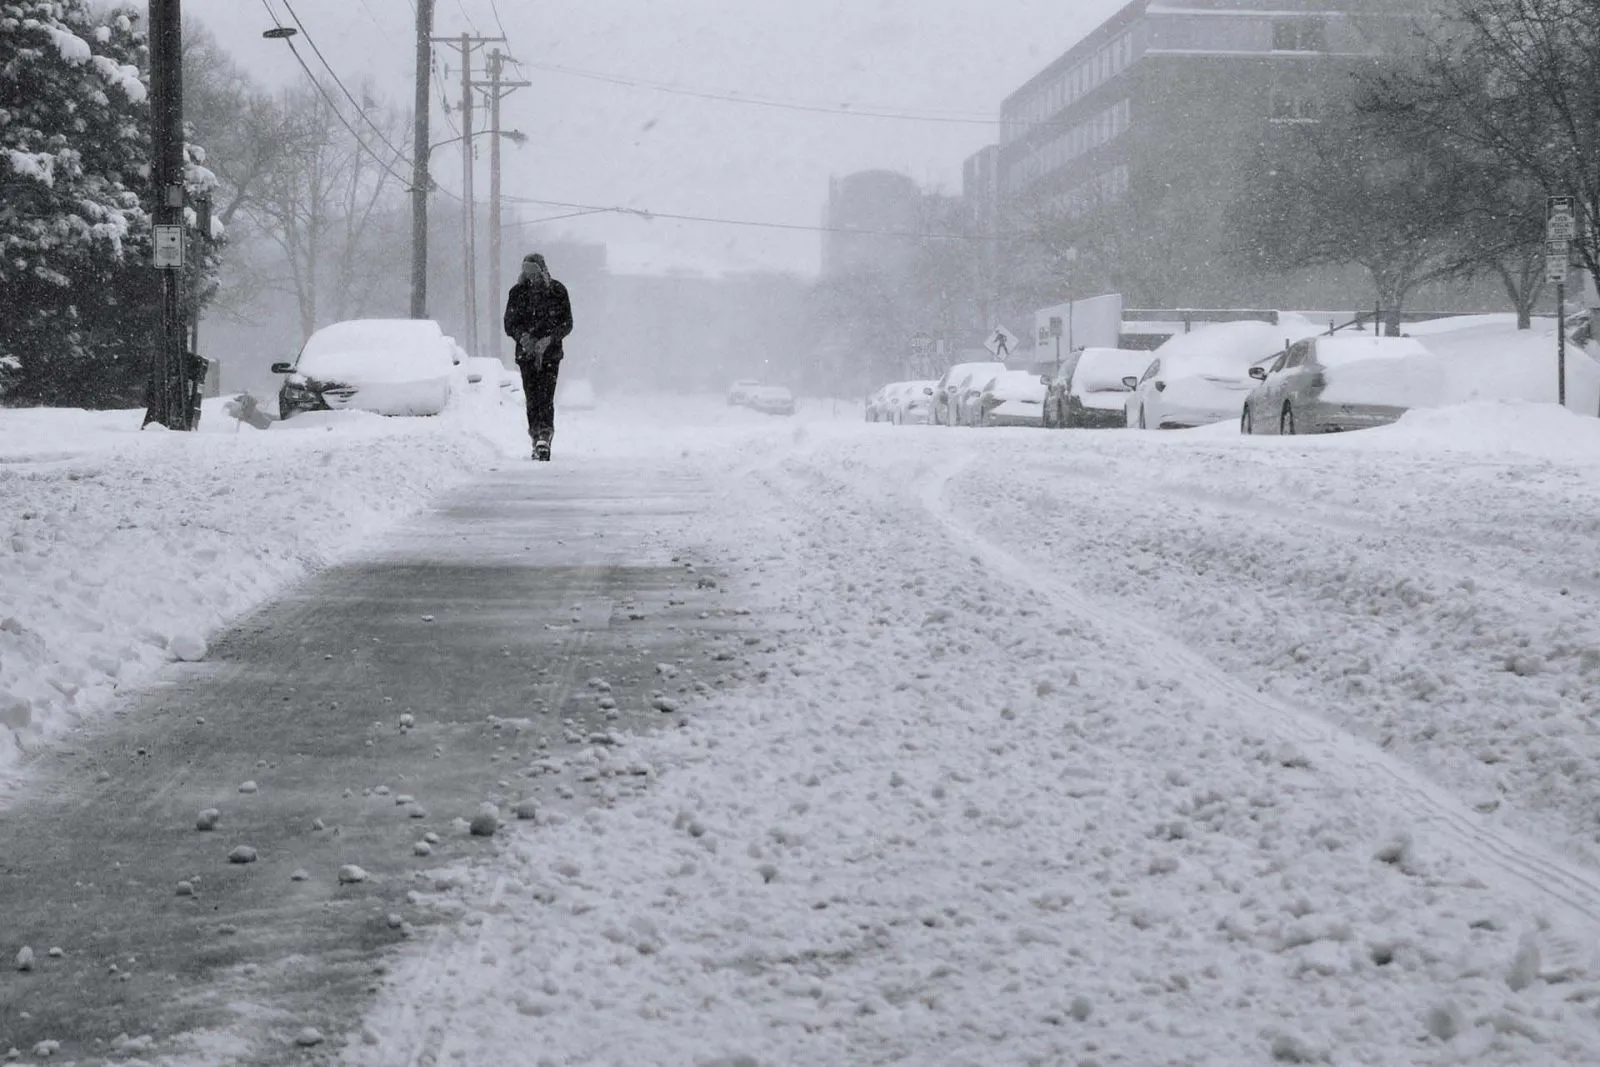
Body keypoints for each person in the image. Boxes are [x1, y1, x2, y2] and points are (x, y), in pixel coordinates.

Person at [503, 252, 574, 461]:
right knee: (532, 396)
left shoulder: (557, 291)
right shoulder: (517, 293)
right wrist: (523, 337)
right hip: (526, 355)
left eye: (534, 271)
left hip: (550, 355)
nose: (530, 276)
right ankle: (535, 435)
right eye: (527, 271)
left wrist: (549, 339)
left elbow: (567, 323)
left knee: (546, 396)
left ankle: (545, 434)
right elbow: (509, 324)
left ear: (542, 269)